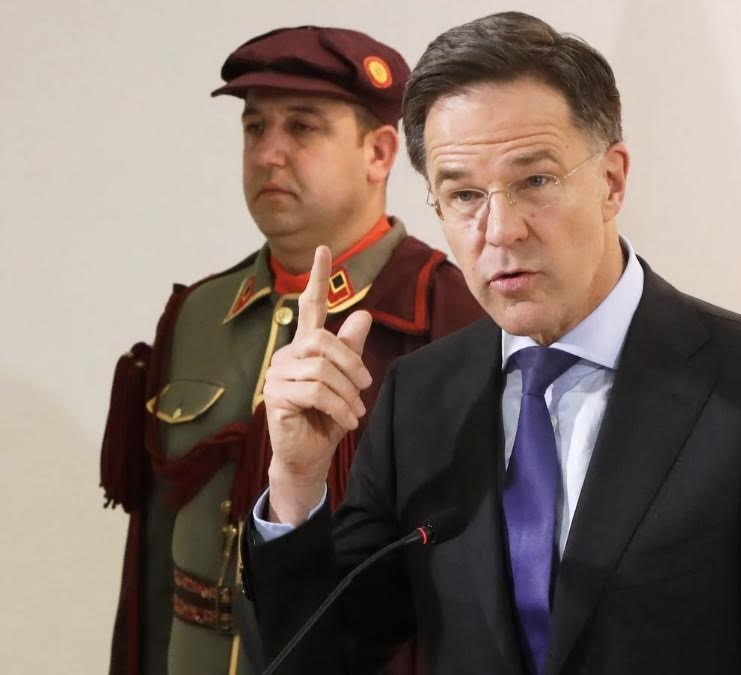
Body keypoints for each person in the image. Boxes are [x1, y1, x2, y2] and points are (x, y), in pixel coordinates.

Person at [242, 12, 741, 674]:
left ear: (611, 180)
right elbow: (318, 659)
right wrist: (296, 480)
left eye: (535, 182)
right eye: (463, 195)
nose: (500, 230)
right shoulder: (420, 396)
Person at [98, 25, 483, 675]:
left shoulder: (448, 317)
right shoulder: (196, 315)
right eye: (255, 128)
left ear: (379, 152)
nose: (268, 153)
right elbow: (154, 557)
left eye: (302, 127)